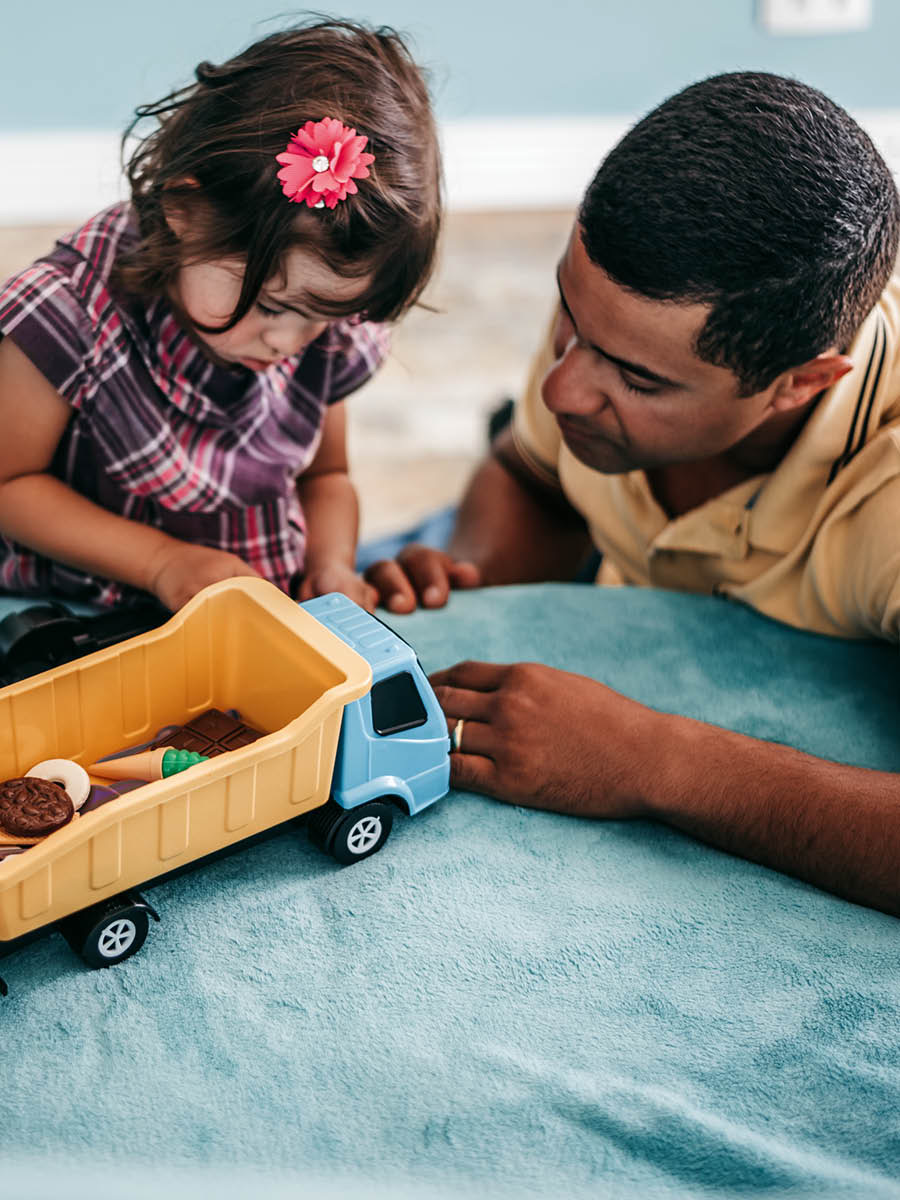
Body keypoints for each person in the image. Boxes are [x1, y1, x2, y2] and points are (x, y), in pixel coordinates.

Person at [364, 72, 900, 915]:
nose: (562, 391)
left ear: (799, 385)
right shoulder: (614, 324)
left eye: (638, 379)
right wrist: (470, 576)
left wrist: (652, 759)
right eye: (569, 320)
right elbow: (531, 475)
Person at [0, 19, 440, 613]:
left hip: (247, 610)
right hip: (77, 610)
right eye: (270, 304)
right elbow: (10, 485)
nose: (289, 340)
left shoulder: (319, 329)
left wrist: (331, 563)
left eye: (324, 316)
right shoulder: (68, 315)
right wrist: (162, 562)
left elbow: (325, 476)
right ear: (185, 209)